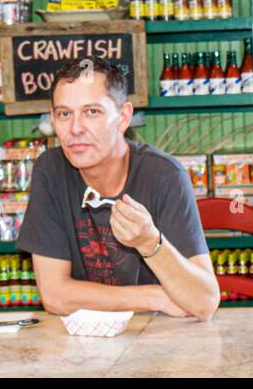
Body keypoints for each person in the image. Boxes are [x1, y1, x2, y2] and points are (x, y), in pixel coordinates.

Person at [16, 57, 220, 321]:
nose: (75, 129)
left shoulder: (164, 175)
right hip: (82, 347)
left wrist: (150, 243)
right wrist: (155, 297)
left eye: (92, 112)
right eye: (64, 114)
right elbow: (55, 297)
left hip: (160, 344)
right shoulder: (51, 170)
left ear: (123, 117)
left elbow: (203, 303)